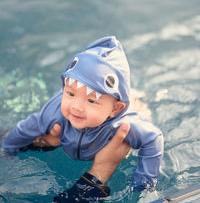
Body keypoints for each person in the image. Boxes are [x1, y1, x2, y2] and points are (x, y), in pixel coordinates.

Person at [1, 36, 164, 198]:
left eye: (91, 100)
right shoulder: (56, 110)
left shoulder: (122, 125)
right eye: (70, 93)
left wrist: (143, 186)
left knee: (140, 110)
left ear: (116, 108)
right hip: (67, 140)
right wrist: (7, 149)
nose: (76, 107)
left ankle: (135, 100)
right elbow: (24, 129)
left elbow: (153, 138)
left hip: (119, 118)